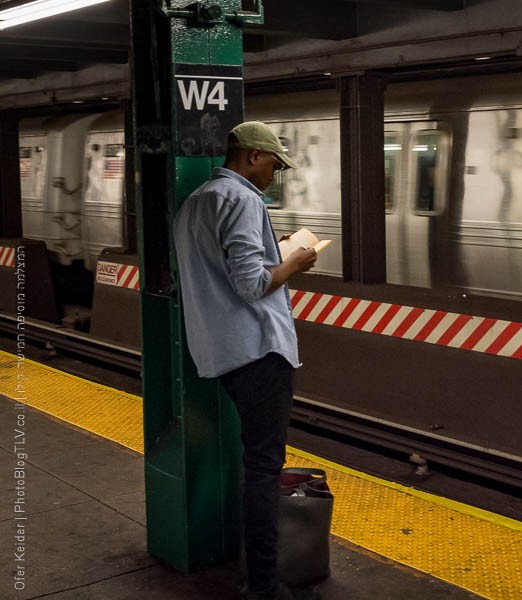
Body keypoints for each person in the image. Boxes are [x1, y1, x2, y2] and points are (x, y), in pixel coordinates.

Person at [173, 121, 318, 600]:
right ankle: (263, 586)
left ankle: (260, 580)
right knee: (263, 469)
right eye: (274, 163)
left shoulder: (194, 203)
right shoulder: (241, 200)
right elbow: (251, 283)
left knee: (257, 465)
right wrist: (294, 262)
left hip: (222, 351)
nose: (275, 173)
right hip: (257, 349)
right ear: (253, 155)